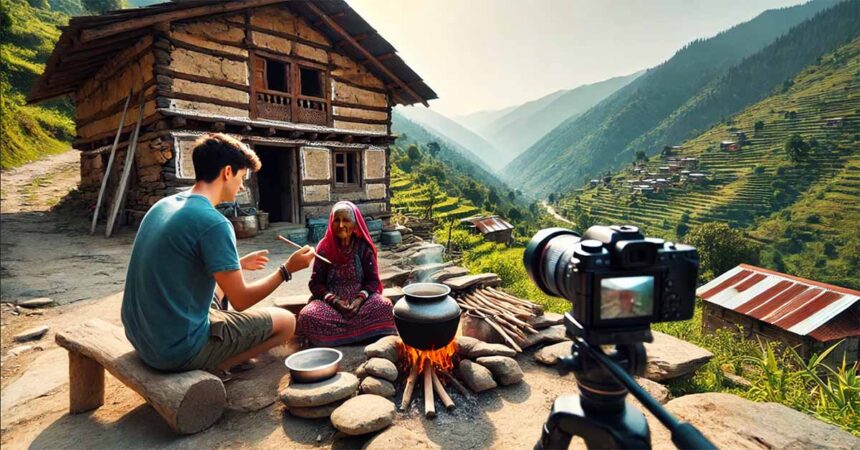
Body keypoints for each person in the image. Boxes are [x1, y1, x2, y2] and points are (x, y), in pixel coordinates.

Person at [121, 133, 315, 375]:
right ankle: (217, 366)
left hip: (141, 336)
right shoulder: (215, 223)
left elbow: (182, 261)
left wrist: (238, 264)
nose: (242, 186)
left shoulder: (163, 205)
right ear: (227, 172)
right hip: (174, 350)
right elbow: (241, 300)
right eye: (242, 177)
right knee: (287, 323)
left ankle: (219, 351)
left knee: (219, 287)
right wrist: (287, 269)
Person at [297, 201, 397, 346]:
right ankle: (365, 335)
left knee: (385, 306)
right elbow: (316, 283)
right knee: (307, 315)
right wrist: (335, 301)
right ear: (331, 223)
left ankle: (334, 338)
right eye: (337, 220)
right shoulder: (324, 247)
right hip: (331, 305)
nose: (341, 225)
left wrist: (359, 300)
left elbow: (373, 281)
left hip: (361, 302)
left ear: (355, 225)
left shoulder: (364, 247)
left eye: (346, 220)